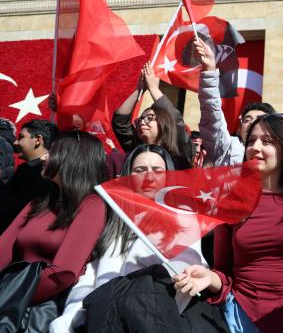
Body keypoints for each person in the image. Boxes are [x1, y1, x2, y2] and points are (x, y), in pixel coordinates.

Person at [173, 114, 283, 333]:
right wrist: (209, 278)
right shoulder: (231, 202)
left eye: (267, 141)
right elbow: (223, 271)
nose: (255, 147)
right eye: (251, 141)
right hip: (240, 318)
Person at [49, 144, 208, 333]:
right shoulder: (115, 219)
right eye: (140, 170)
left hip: (150, 318)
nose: (149, 176)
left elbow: (187, 269)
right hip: (102, 316)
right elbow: (90, 275)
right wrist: (71, 316)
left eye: (157, 170)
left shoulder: (183, 217)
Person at [0, 131, 107, 307]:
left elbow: (63, 274)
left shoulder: (92, 205)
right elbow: (3, 248)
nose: (43, 158)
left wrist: (10, 296)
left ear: (73, 159)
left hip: (36, 308)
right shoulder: (40, 202)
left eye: (53, 152)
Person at [194, 38, 275, 167]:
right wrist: (209, 70)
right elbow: (212, 113)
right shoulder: (226, 147)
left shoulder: (278, 153)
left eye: (259, 120)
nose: (253, 124)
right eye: (248, 120)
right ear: (239, 128)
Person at [112, 62, 193, 169]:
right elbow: (120, 122)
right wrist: (139, 90)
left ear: (165, 123)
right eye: (140, 119)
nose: (142, 122)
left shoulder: (179, 149)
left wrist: (153, 88)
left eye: (149, 118)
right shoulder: (136, 147)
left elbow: (175, 119)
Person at [0, 119, 58, 234]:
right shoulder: (26, 169)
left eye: (21, 137)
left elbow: (12, 209)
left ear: (37, 140)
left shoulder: (44, 174)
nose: (15, 143)